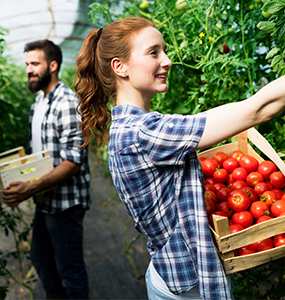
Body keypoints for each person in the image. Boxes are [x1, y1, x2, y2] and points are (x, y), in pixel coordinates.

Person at [74, 17, 285, 300]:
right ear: (119, 67)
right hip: (190, 291)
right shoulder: (143, 133)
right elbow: (257, 112)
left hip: (170, 272)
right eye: (153, 52)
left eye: (164, 50)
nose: (168, 60)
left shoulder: (129, 127)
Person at [2, 39, 91, 299]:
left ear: (52, 65)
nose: (28, 69)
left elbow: (72, 162)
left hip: (65, 202)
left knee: (71, 270)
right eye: (27, 63)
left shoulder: (66, 103)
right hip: (45, 198)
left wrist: (29, 188)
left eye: (34, 63)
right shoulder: (38, 105)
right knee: (40, 258)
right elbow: (38, 157)